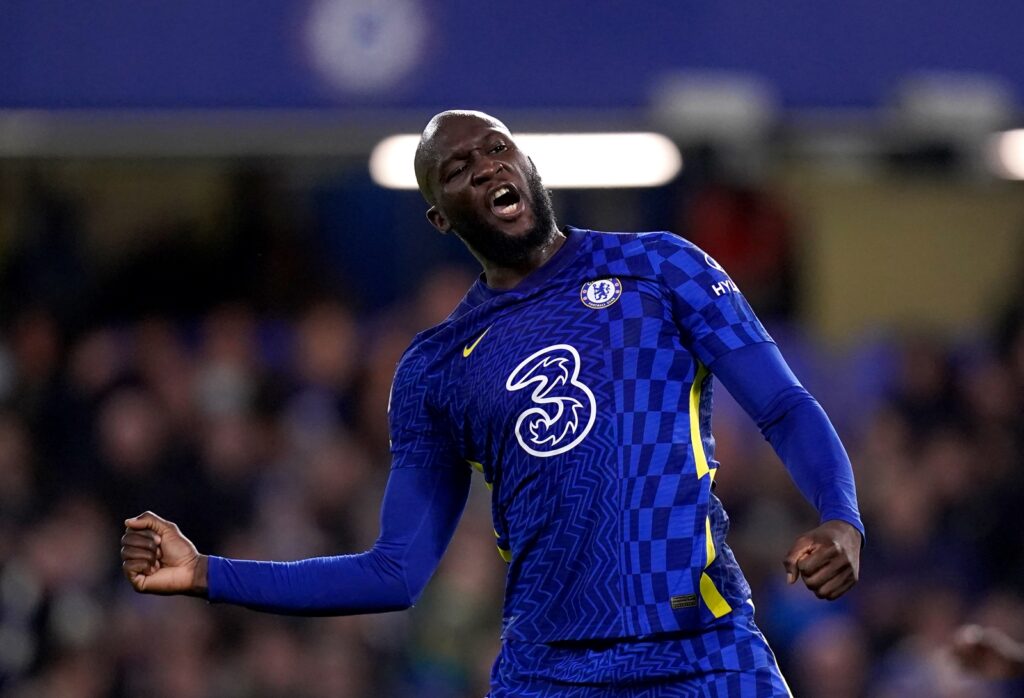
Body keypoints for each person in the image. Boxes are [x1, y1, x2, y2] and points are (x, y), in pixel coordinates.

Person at [121, 110, 864, 697]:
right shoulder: (436, 368)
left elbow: (783, 407)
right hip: (548, 674)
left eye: (497, 149)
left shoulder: (661, 267)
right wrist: (207, 573)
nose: (486, 166)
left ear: (529, 166)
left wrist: (841, 515)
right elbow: (395, 573)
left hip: (705, 652)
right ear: (441, 218)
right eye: (457, 169)